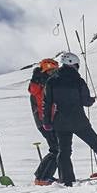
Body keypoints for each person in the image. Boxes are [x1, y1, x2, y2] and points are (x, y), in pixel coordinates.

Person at [42, 51, 97, 185]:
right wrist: (91, 100)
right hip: (79, 121)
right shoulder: (78, 80)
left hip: (60, 122)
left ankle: (66, 180)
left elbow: (47, 103)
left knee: (64, 152)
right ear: (73, 64)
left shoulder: (51, 81)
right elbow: (85, 101)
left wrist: (46, 122)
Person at [28, 57, 59, 185]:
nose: (53, 73)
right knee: (56, 149)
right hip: (45, 121)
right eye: (50, 71)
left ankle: (42, 176)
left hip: (48, 120)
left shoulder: (45, 82)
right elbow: (41, 101)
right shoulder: (39, 84)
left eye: (54, 71)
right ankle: (42, 177)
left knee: (56, 148)